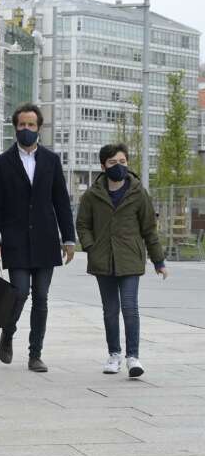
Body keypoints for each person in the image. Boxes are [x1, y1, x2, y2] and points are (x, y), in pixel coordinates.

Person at [0, 102, 77, 372]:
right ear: (15, 128)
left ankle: (35, 354)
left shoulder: (50, 160)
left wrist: (69, 238)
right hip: (14, 240)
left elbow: (61, 201)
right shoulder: (1, 163)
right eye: (22, 125)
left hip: (46, 240)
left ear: (39, 128)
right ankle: (8, 331)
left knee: (41, 297)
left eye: (32, 125)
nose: (27, 129)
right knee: (20, 292)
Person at [76, 143, 167, 378]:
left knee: (129, 307)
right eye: (113, 163)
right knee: (110, 310)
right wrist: (90, 247)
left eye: (123, 162)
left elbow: (149, 228)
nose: (119, 166)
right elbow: (83, 224)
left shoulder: (138, 192)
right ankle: (114, 354)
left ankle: (133, 357)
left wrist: (159, 261)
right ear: (103, 166)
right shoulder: (93, 194)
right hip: (102, 259)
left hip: (130, 259)